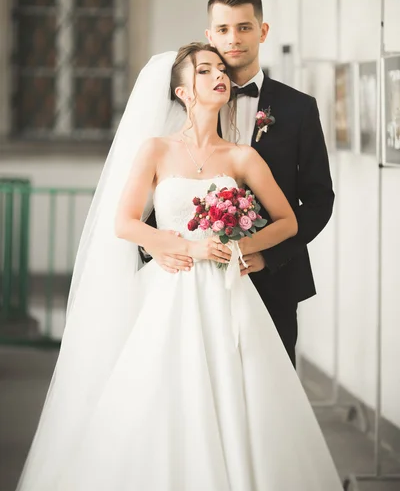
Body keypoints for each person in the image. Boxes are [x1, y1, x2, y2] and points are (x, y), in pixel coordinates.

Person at [16, 43, 342, 490]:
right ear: (183, 92)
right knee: (162, 395)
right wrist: (180, 246)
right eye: (204, 70)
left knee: (239, 396)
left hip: (228, 293)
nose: (219, 76)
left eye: (221, 70)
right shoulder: (155, 150)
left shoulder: (242, 157)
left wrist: (239, 245)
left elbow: (287, 222)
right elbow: (125, 222)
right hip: (169, 288)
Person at [205, 0, 335, 366]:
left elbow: (318, 199)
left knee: (273, 391)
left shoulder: (298, 108)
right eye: (224, 29)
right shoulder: (187, 104)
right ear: (210, 36)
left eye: (245, 27)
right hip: (198, 275)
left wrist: (268, 254)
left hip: (274, 277)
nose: (234, 39)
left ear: (262, 32)